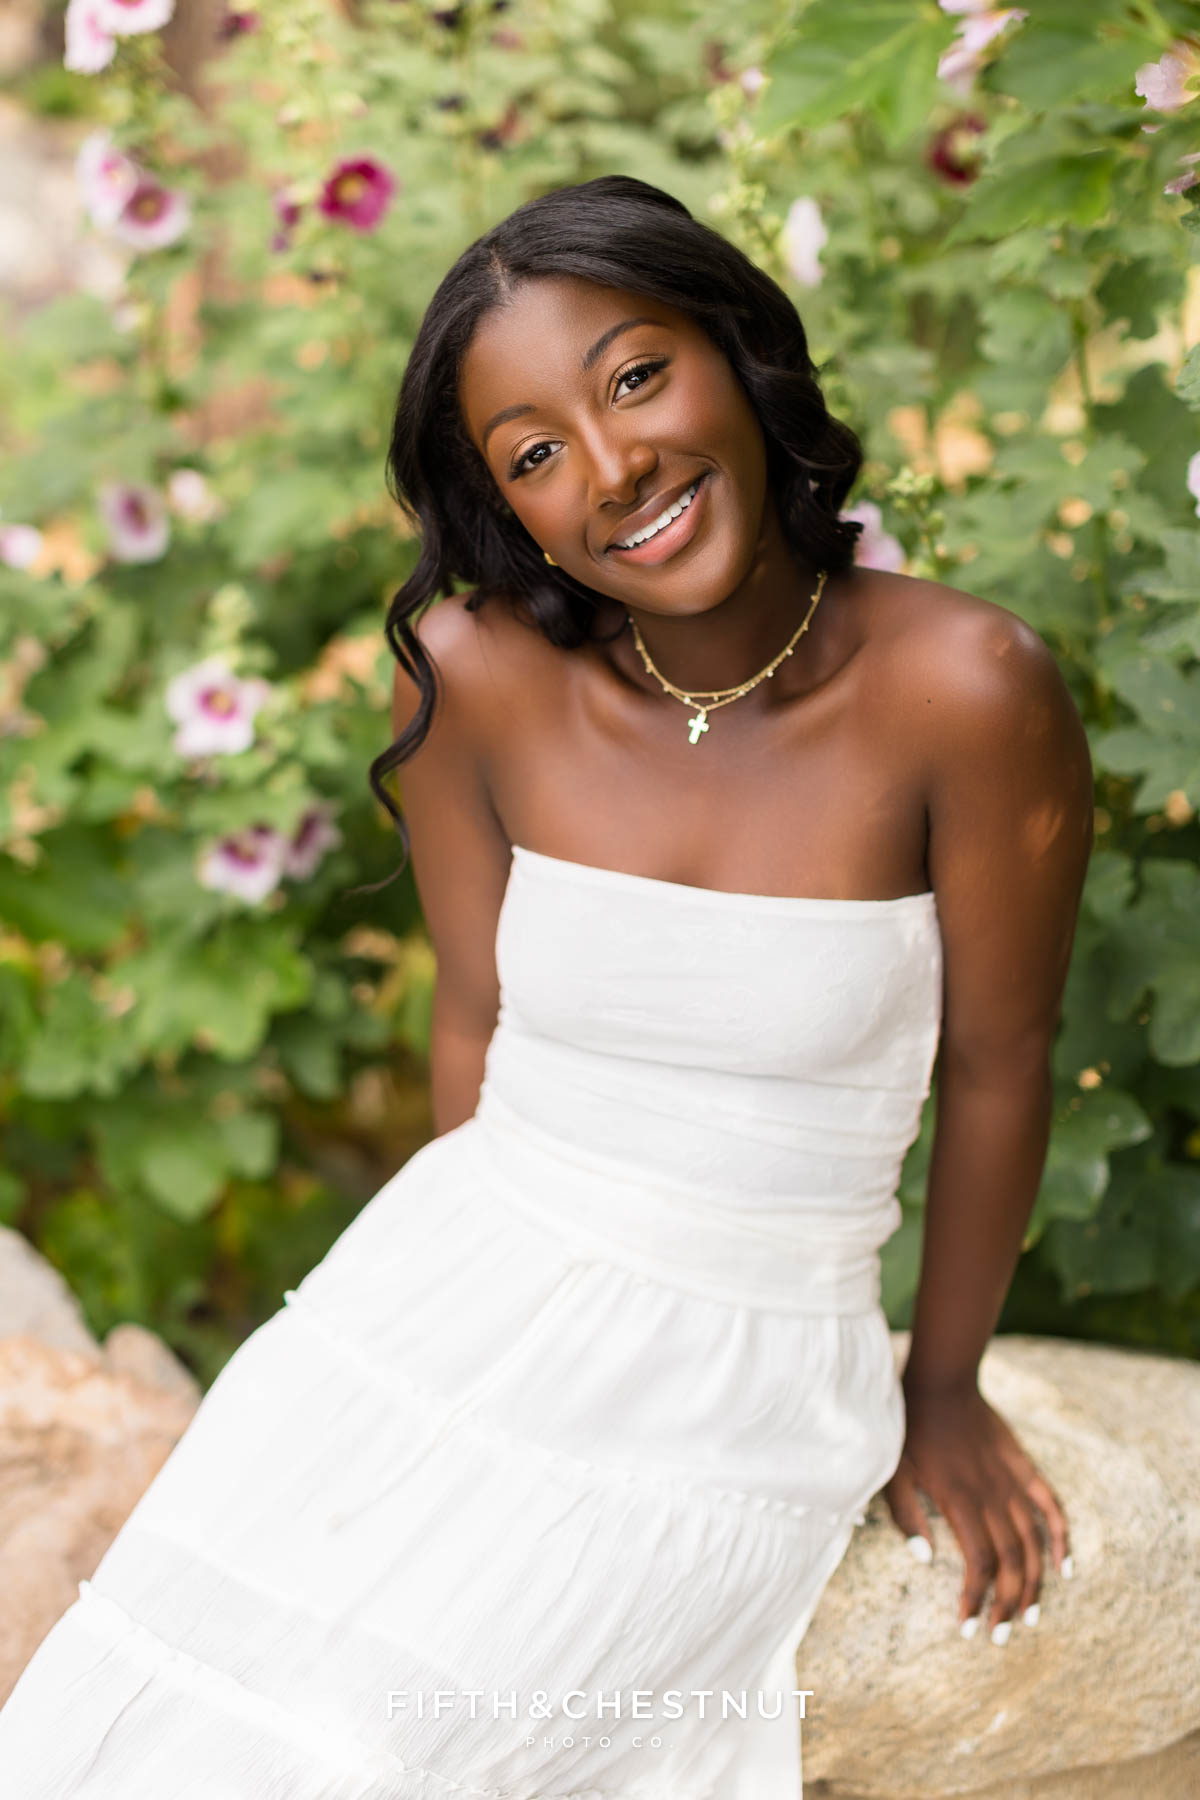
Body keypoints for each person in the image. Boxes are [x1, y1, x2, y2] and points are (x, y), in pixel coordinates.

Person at [0, 174, 1094, 1797]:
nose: (614, 469)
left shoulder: (965, 686)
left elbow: (1003, 1063)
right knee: (174, 1721)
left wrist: (940, 1394)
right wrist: (461, 1347)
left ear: (738, 346)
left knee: (413, 1750)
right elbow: (474, 1021)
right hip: (451, 1290)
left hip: (749, 1359)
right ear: (504, 508)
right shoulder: (477, 674)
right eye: (532, 455)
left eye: (637, 377)